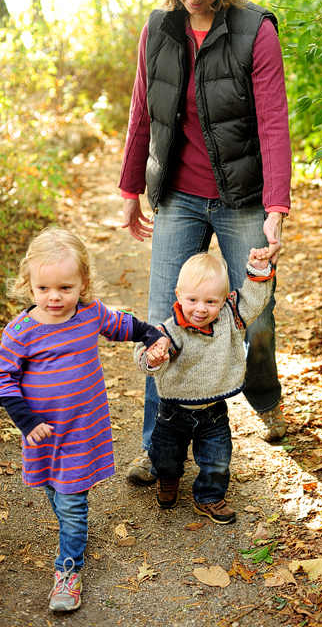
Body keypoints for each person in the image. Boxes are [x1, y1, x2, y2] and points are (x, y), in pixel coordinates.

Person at [118, 0, 292, 487]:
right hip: (178, 195)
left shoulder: (254, 31)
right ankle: (156, 445)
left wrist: (277, 208)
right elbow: (142, 110)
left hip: (243, 198)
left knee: (254, 315)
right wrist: (130, 188)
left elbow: (273, 121)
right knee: (161, 321)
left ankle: (265, 401)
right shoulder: (159, 29)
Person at [0, 228, 169, 612]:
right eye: (43, 288)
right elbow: (4, 378)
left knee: (72, 504)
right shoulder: (20, 333)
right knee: (54, 492)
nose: (54, 297)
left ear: (83, 282)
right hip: (42, 435)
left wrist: (150, 335)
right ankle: (72, 532)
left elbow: (123, 324)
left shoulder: (91, 314)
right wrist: (25, 421)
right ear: (29, 284)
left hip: (82, 430)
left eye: (65, 287)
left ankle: (68, 569)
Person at [135, 249, 275, 525]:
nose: (201, 308)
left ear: (223, 300)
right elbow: (145, 351)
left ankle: (209, 496)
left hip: (213, 411)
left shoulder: (230, 317)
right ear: (178, 295)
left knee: (217, 460)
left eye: (211, 301)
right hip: (173, 412)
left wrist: (258, 270)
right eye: (193, 300)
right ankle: (168, 479)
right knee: (165, 457)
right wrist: (152, 357)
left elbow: (254, 301)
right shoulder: (169, 331)